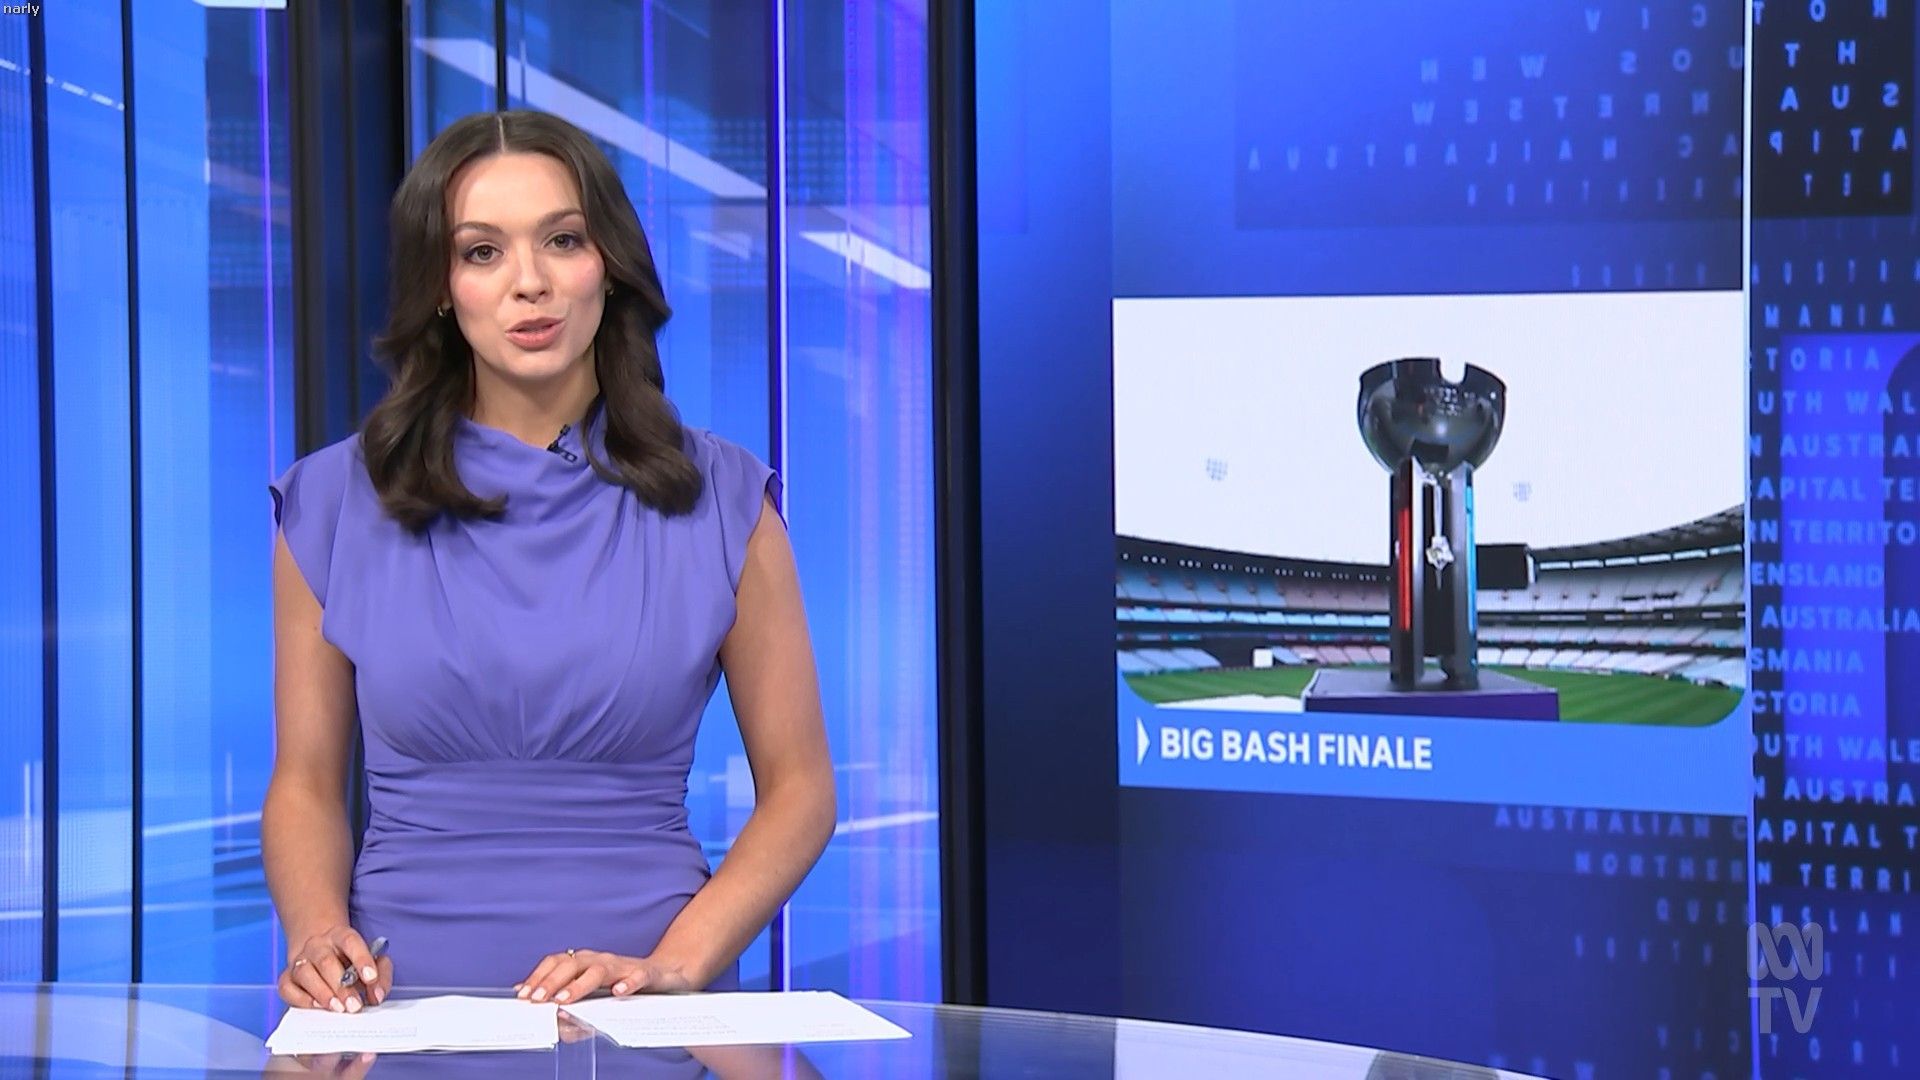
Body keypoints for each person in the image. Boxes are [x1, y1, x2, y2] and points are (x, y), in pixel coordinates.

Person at [261, 109, 836, 1013]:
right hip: (395, 1015)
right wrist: (314, 933)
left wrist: (673, 967)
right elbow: (303, 783)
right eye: (482, 251)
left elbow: (801, 791)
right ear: (442, 286)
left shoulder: (725, 500)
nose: (529, 282)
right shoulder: (333, 502)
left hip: (645, 1012)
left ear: (609, 264)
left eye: (562, 240)